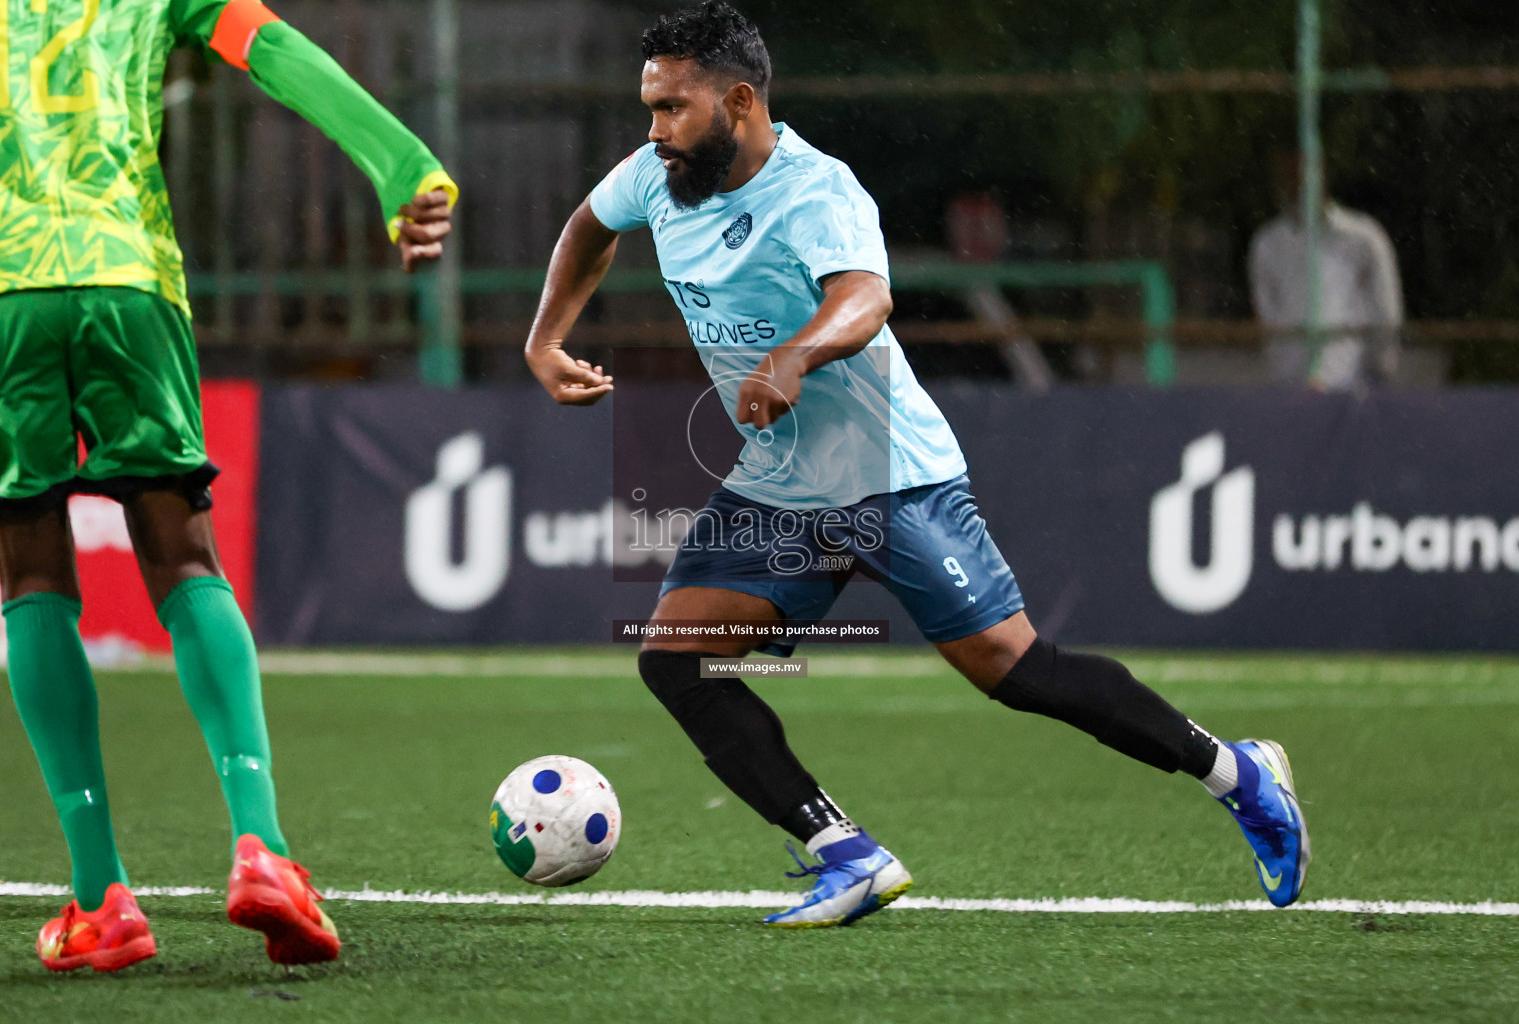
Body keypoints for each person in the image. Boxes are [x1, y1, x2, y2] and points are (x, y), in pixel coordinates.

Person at [526, 0, 1308, 928]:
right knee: (676, 654)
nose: (654, 131)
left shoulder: (818, 192)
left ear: (738, 101)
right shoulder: (661, 177)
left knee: (1013, 669)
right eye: (649, 108)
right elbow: (587, 225)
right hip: (781, 479)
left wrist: (795, 355)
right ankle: (845, 855)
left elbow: (866, 297)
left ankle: (1238, 772)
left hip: (891, 470)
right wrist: (546, 340)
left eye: (671, 109)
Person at [0, 0, 455, 971]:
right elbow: (276, 52)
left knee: (31, 580)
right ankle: (262, 846)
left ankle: (99, 899)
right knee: (182, 556)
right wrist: (402, 166)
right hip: (129, 279)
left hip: (1, 293)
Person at [1249, 151, 1403, 391]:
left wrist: (1383, 368)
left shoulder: (1363, 237)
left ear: (1321, 173)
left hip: (1352, 385)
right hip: (1289, 387)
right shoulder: (1268, 243)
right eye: (1289, 175)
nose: (1297, 183)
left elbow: (1385, 308)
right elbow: (1268, 317)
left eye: (1303, 173)